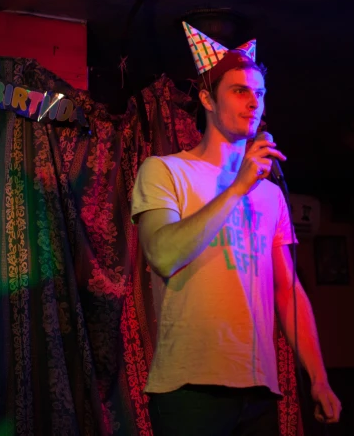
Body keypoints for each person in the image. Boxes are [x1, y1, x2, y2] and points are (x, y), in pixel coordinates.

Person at [131, 22, 341, 435]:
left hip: (258, 389)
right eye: (240, 91)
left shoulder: (269, 196)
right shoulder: (166, 171)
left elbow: (287, 291)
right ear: (207, 99)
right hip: (190, 389)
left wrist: (318, 378)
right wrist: (236, 189)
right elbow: (162, 255)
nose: (254, 102)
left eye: (259, 93)